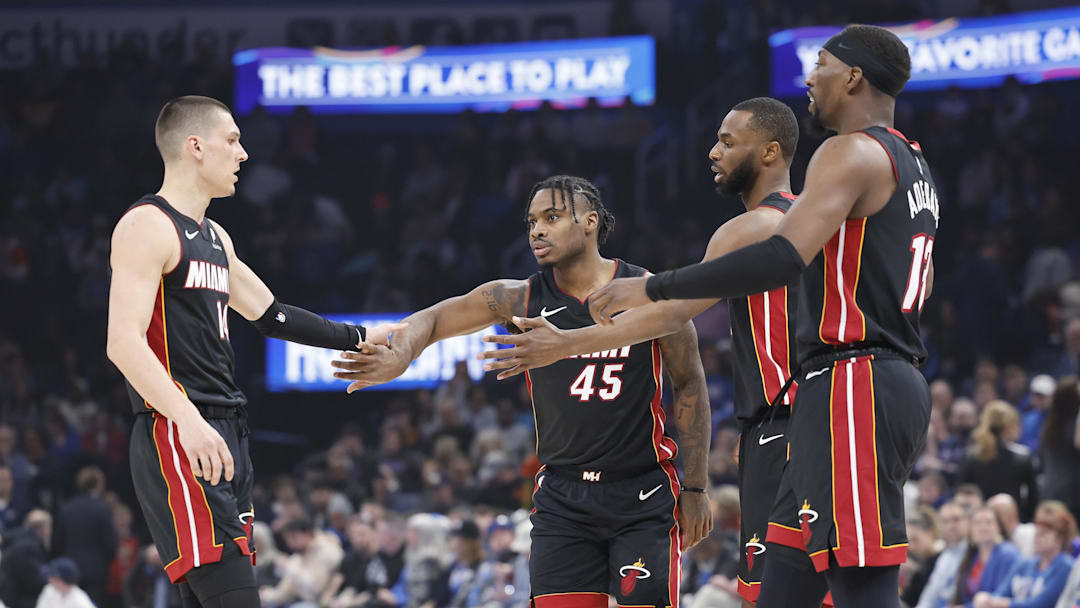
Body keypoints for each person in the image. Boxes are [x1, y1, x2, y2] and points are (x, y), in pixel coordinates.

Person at [547, 24, 936, 608]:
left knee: (861, 587)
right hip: (851, 387)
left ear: (854, 76)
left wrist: (652, 286)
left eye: (822, 64)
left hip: (854, 379)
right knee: (783, 585)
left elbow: (781, 259)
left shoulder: (849, 150)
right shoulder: (915, 163)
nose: (810, 78)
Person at [474, 97, 808, 606]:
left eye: (726, 141)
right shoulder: (820, 218)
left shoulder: (750, 229)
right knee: (814, 586)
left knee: (787, 594)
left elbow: (673, 313)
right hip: (791, 416)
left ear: (769, 151)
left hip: (786, 423)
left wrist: (572, 339)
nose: (712, 152)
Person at [332, 174, 713, 608]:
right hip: (564, 498)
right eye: (532, 220)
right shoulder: (519, 298)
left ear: (590, 222)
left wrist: (697, 487)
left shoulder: (647, 289)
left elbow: (689, 382)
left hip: (641, 492)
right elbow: (435, 318)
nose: (537, 230)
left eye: (552, 217)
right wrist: (402, 356)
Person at [105, 95, 403, 608]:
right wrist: (189, 421)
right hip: (180, 433)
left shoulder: (217, 237)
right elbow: (122, 343)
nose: (243, 154)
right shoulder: (147, 224)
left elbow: (272, 315)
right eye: (233, 140)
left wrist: (360, 336)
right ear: (195, 147)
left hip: (226, 433)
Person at [972, 501, 1075, 608]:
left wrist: (998, 603)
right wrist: (987, 600)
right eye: (1036, 531)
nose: (1036, 537)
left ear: (1060, 538)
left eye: (1043, 533)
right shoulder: (1025, 563)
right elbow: (1001, 593)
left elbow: (1038, 604)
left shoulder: (1065, 565)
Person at [961, 401, 1038, 522]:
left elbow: (963, 495)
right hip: (1013, 524)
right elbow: (1033, 499)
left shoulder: (971, 456)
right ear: (1009, 426)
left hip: (979, 524)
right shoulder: (1022, 458)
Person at [53, 466, 117, 606]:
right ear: (99, 485)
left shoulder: (66, 508)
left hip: (70, 572)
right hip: (96, 573)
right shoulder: (102, 509)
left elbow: (57, 543)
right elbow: (111, 544)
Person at [947, 506, 1020, 608]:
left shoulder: (1008, 554)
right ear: (970, 530)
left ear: (998, 527)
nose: (983, 527)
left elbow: (1001, 595)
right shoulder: (971, 557)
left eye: (988, 522)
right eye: (977, 523)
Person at [1038, 376, 1080, 519]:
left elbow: (1041, 459)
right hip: (1074, 493)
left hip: (1050, 490)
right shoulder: (1075, 428)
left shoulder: (1049, 426)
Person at [917, 502, 971, 608]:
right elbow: (930, 595)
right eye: (945, 521)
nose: (951, 526)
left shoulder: (974, 552)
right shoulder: (943, 557)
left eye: (956, 519)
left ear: (967, 522)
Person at [0, 509, 53, 608]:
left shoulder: (17, 537)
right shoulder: (28, 547)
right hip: (16, 599)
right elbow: (33, 581)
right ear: (45, 529)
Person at [987, 495, 1035, 559]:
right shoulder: (995, 540)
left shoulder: (1030, 532)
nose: (996, 518)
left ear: (1013, 512)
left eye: (998, 512)